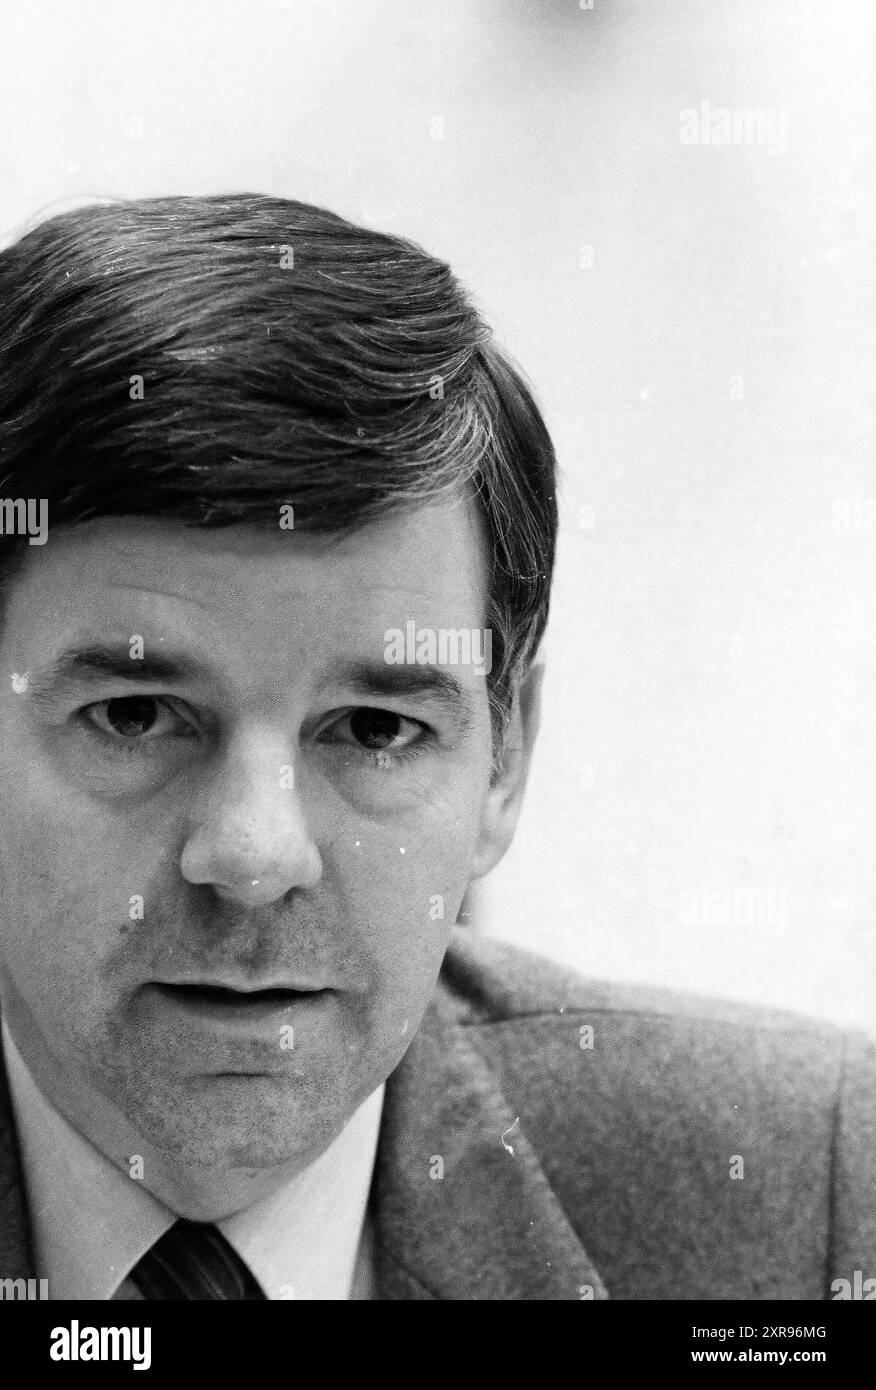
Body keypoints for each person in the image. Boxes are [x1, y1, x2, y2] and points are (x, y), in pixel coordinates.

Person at [0, 194, 872, 1301]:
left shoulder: (813, 1198)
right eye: (134, 715)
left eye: (376, 730)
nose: (256, 855)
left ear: (504, 762)